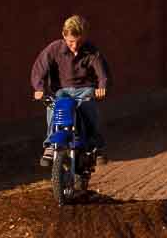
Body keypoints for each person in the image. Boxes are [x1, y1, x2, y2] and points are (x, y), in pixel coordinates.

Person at [31, 13, 109, 168]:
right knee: (54, 107)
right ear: (64, 35)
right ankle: (50, 145)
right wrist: (39, 88)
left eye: (79, 42)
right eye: (71, 42)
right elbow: (39, 69)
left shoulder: (91, 51)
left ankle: (94, 144)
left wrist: (102, 87)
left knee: (89, 108)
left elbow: (102, 72)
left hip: (84, 90)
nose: (75, 46)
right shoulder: (54, 49)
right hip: (61, 91)